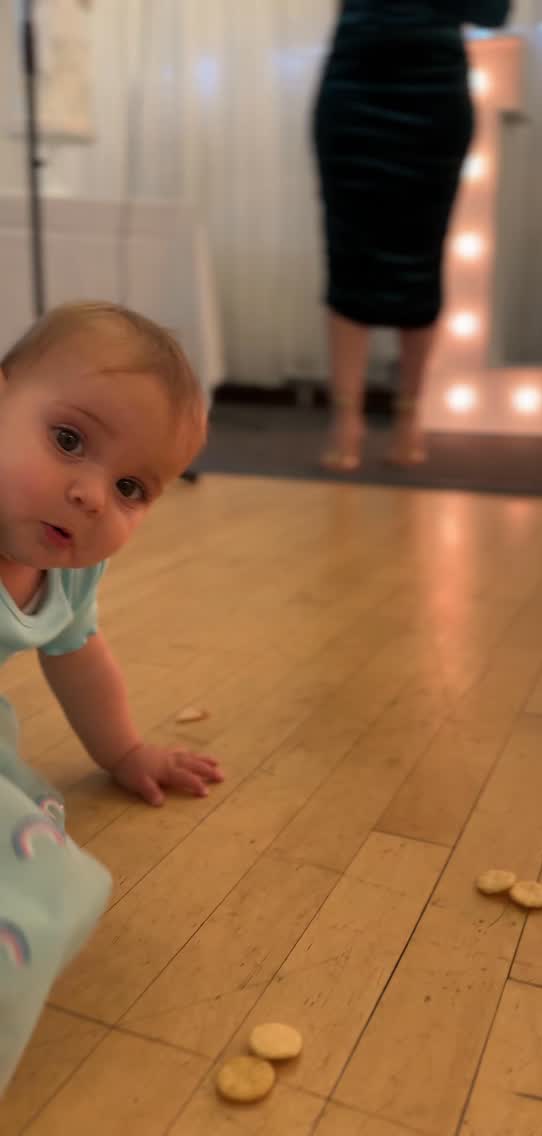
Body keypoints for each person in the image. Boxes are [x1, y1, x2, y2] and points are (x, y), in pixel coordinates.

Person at [0, 301, 224, 1093]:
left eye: (131, 486)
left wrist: (126, 749)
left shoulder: (66, 569)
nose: (92, 494)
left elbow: (80, 656)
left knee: (34, 874)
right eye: (67, 441)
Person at [313, 0, 511, 471]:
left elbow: (493, 12)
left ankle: (409, 416)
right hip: (355, 83)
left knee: (421, 255)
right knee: (348, 250)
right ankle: (347, 419)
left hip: (433, 92)